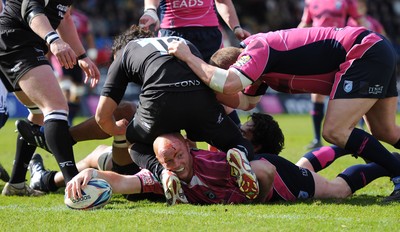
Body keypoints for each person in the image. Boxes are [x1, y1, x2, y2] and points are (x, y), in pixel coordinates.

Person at [167, 26, 400, 202]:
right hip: (373, 48)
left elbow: (228, 84)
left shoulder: (257, 50)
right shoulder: (260, 71)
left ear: (237, 65)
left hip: (362, 51)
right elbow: (247, 102)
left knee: (335, 131)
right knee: (384, 131)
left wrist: (189, 57)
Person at [94, 25, 258, 205]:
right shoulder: (181, 43)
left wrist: (116, 129)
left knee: (135, 143)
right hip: (199, 97)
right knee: (236, 142)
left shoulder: (125, 53)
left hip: (159, 99)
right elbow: (207, 78)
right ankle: (238, 152)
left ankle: (162, 172)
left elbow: (101, 116)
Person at [65, 130, 396, 205]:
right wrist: (88, 175)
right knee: (306, 164)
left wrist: (253, 200)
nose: (177, 164)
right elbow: (122, 182)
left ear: (189, 148)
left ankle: (385, 165)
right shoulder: (165, 176)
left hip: (272, 175)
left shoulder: (216, 164)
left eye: (180, 156)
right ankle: (342, 145)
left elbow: (264, 173)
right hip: (265, 170)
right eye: (169, 161)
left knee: (335, 191)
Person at [0, 0, 100, 196]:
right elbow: (30, 8)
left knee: (38, 114)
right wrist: (53, 40)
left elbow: (65, 17)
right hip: (17, 42)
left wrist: (82, 56)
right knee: (56, 107)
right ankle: (74, 185)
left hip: (19, 42)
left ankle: (17, 184)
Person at [138, 0, 252, 132]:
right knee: (175, 95)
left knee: (218, 91)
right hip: (173, 35)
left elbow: (223, 1)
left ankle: (236, 142)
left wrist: (236, 27)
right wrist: (150, 11)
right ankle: (187, 148)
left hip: (209, 36)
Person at [297, 0, 367, 150]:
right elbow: (304, 24)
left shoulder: (346, 1)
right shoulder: (311, 2)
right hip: (318, 50)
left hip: (341, 48)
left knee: (351, 90)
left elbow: (361, 21)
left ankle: (357, 133)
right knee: (317, 94)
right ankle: (317, 138)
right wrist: (292, 40)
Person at [51, 6, 98, 125]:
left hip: (78, 57)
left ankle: (70, 119)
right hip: (61, 56)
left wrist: (92, 50)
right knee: (66, 88)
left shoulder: (82, 18)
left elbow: (88, 35)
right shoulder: (54, 12)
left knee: (77, 92)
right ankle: (63, 119)